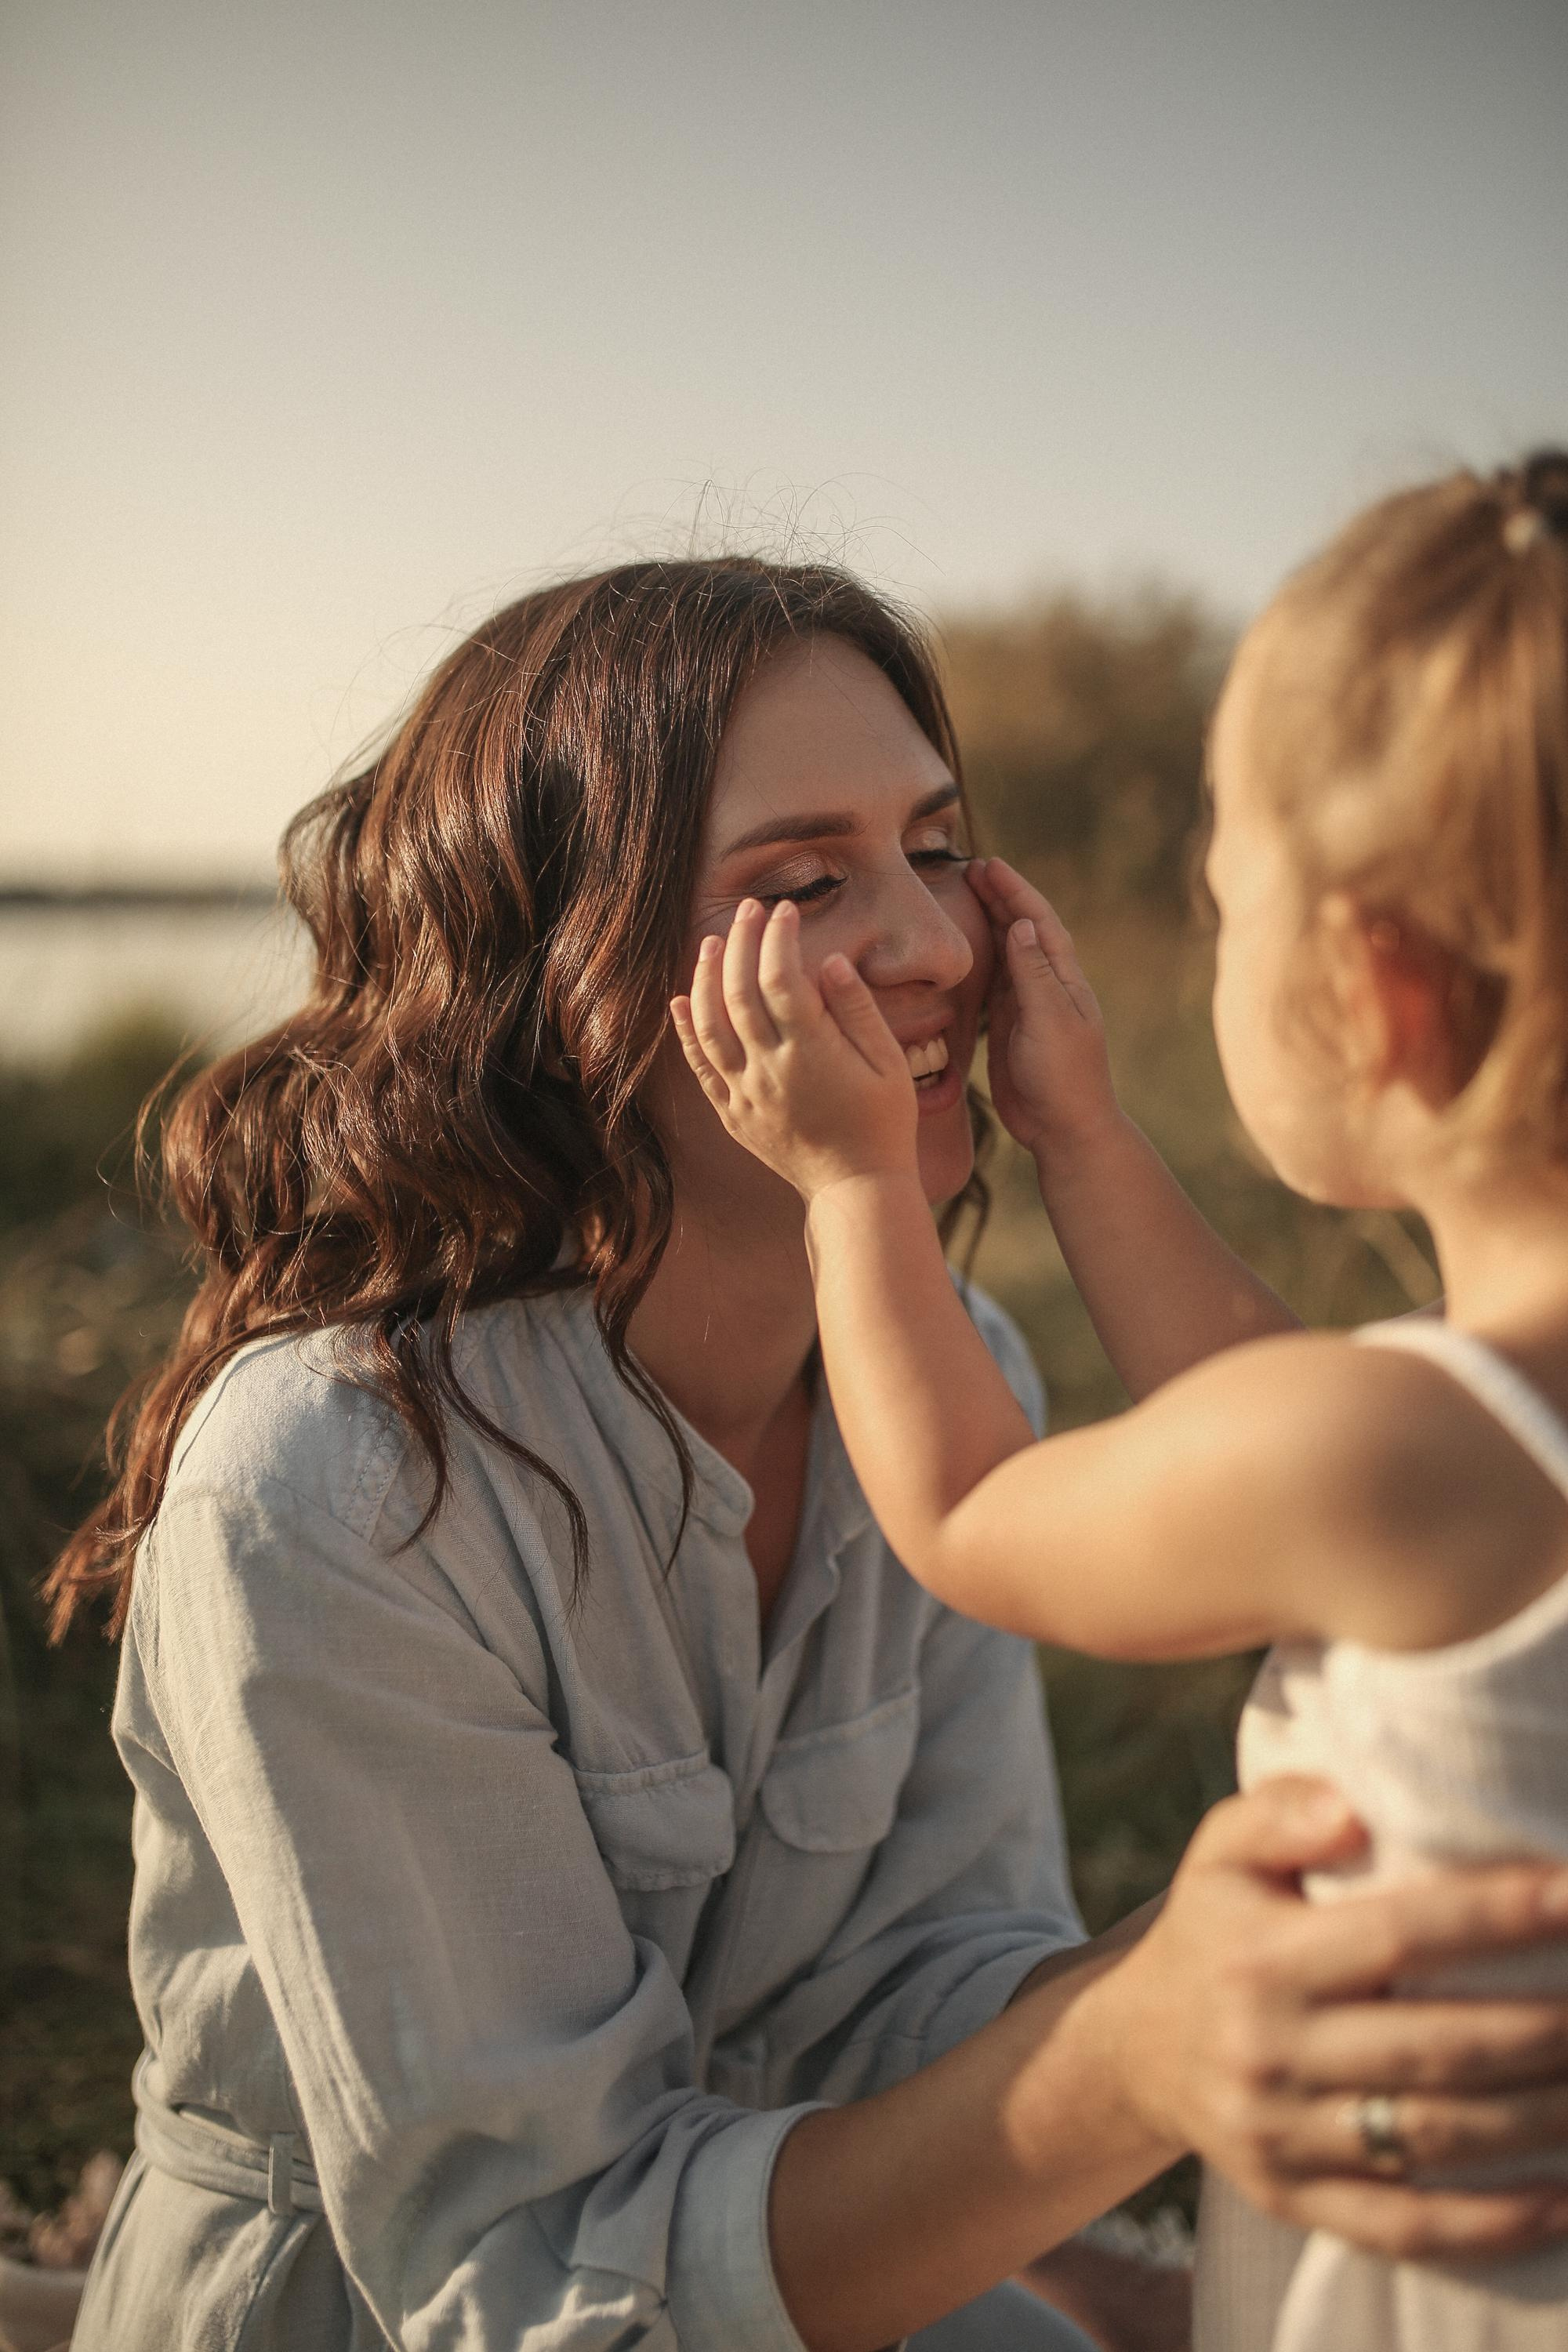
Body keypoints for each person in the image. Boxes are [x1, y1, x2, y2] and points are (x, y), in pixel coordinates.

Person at [53, 554, 1568, 2352]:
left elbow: (932, 1991)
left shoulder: (952, 1370)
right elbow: (524, 2276)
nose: (937, 945)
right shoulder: (338, 1486)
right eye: (800, 883)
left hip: (827, 2263)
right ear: (564, 977)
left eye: (938, 848)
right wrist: (1145, 2042)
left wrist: (1263, 1991)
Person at [671, 455, 1568, 2350]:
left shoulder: (1399, 1450)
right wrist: (1071, 1130)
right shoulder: (1427, 1445)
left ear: (1378, 990)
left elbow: (976, 1515)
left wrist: (850, 1188)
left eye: (1221, 893)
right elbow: (1280, 1413)